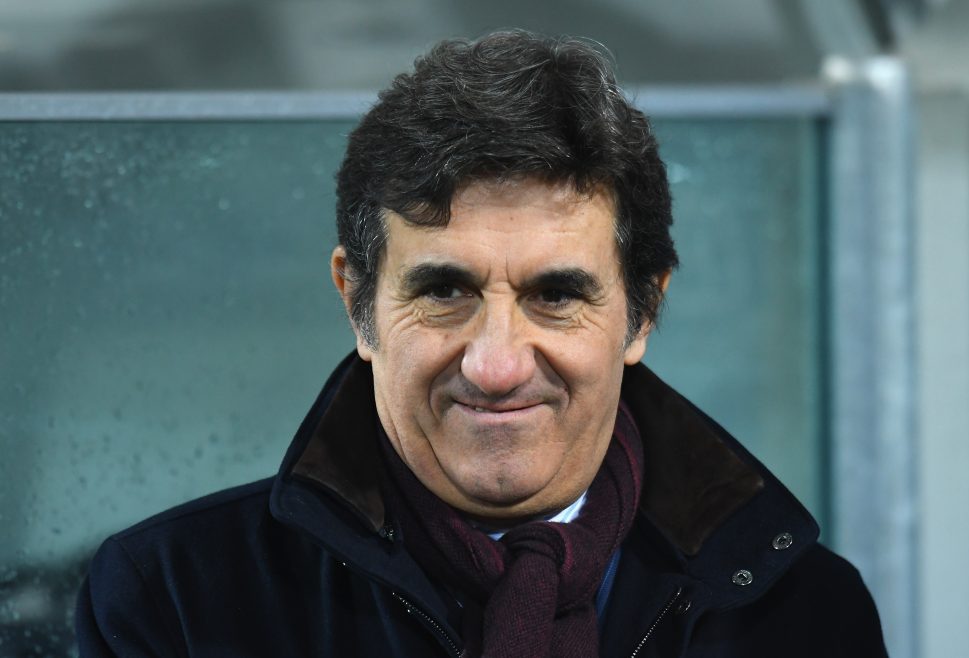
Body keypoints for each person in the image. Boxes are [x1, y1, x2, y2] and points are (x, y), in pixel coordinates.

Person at [76, 30, 888, 657]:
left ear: (642, 313)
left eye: (556, 296)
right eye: (444, 292)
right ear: (356, 301)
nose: (496, 365)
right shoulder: (171, 601)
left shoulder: (805, 615)